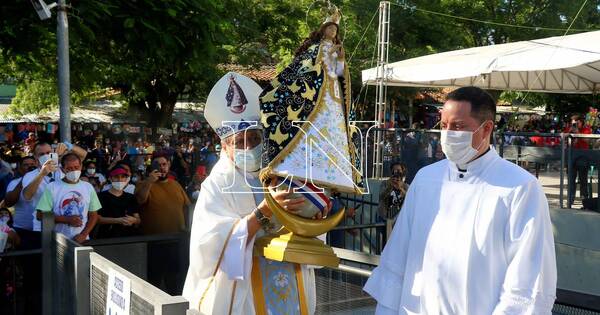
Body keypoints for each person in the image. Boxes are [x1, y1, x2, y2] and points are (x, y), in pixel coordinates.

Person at [364, 86, 557, 314]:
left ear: (486, 129)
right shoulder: (426, 179)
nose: (447, 134)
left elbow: (526, 280)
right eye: (444, 125)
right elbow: (398, 257)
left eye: (457, 126)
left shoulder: (519, 187)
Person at [183, 72, 322, 314]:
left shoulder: (285, 171)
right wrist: (264, 212)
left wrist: (312, 214)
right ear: (225, 146)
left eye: (255, 138)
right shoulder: (216, 184)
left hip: (291, 275)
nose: (249, 147)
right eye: (239, 142)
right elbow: (207, 248)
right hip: (247, 286)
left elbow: (309, 223)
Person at [135, 154, 190, 293]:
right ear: (151, 167)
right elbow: (141, 200)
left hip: (177, 242)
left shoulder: (175, 184)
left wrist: (187, 227)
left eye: (164, 164)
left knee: (176, 282)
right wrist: (149, 182)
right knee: (154, 283)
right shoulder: (142, 184)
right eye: (157, 165)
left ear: (169, 165)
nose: (162, 167)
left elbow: (186, 206)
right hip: (154, 243)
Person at [21, 141, 87, 247]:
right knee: (46, 260)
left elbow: (83, 155)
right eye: (41, 154)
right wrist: (42, 173)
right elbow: (26, 196)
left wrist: (68, 146)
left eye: (48, 152)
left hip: (66, 227)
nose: (46, 156)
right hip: (42, 226)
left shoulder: (63, 169)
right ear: (35, 157)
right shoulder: (30, 175)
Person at [35, 153, 100, 243]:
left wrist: (84, 234)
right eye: (69, 168)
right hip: (59, 240)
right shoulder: (52, 187)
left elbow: (93, 215)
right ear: (63, 169)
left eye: (76, 167)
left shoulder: (88, 187)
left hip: (83, 240)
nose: (74, 171)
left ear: (81, 166)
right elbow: (40, 215)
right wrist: (66, 220)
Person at [96, 167, 140, 238]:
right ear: (110, 178)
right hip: (106, 236)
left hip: (128, 237)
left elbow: (138, 219)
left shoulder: (131, 197)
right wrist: (118, 220)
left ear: (126, 179)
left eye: (123, 177)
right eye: (116, 177)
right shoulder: (101, 196)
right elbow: (97, 219)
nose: (120, 180)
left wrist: (134, 220)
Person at [565, 115, 592, 204]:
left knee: (583, 179)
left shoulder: (586, 129)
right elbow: (563, 138)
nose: (575, 125)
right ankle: (570, 199)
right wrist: (569, 132)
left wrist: (577, 133)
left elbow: (588, 140)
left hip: (583, 157)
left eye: (577, 123)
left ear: (581, 122)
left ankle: (585, 200)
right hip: (572, 156)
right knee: (571, 179)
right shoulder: (570, 128)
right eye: (574, 123)